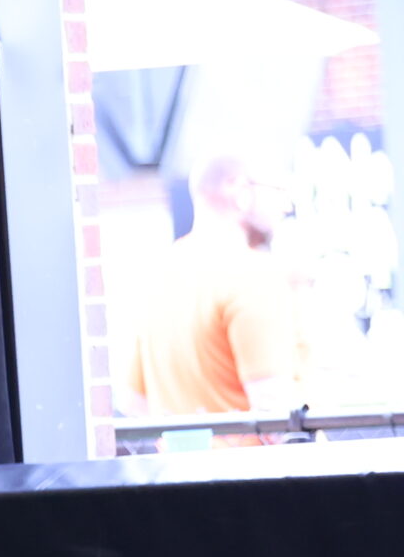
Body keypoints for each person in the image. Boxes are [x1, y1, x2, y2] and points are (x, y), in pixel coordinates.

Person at [120, 154, 300, 436]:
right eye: (279, 191)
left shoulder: (159, 274)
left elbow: (135, 404)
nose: (286, 206)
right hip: (249, 475)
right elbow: (279, 420)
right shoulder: (251, 274)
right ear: (240, 193)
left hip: (176, 473)